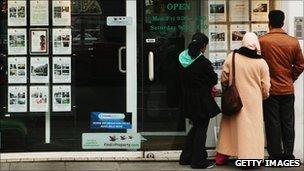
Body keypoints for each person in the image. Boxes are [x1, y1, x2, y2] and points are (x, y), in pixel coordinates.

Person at [216, 32, 271, 163]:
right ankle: (249, 158)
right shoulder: (261, 63)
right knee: (251, 130)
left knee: (229, 129)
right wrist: (263, 96)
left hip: (234, 99)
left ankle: (222, 156)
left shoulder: (232, 57)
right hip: (254, 102)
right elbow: (266, 86)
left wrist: (227, 88)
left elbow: (224, 77)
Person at [259, 10, 304, 160]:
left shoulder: (262, 41)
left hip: (270, 90)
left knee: (272, 123)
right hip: (287, 89)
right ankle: (289, 154)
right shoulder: (293, 42)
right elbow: (300, 65)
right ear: (283, 22)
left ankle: (275, 155)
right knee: (288, 122)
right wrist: (291, 77)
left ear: (269, 22)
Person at [178, 32, 221, 169]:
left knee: (196, 127)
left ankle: (185, 157)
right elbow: (213, 79)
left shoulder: (181, 58)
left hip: (187, 99)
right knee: (201, 129)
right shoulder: (203, 63)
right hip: (202, 101)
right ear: (203, 47)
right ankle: (198, 161)